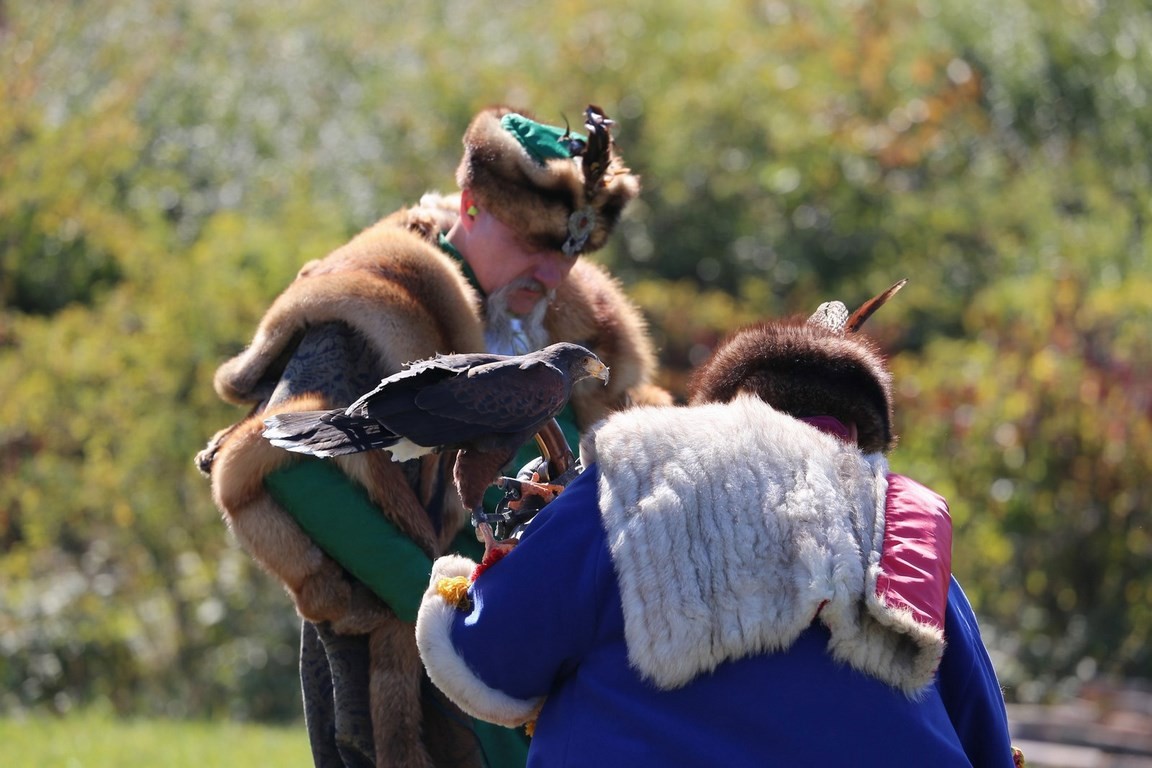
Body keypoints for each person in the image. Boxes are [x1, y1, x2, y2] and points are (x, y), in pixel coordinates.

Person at [196, 104, 670, 768]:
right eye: (532, 245)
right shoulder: (379, 301)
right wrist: (444, 610)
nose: (551, 274)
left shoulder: (583, 325)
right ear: (471, 207)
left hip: (558, 660)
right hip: (417, 678)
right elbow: (280, 461)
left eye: (568, 253)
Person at [415, 283, 1024, 767]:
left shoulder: (641, 475)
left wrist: (459, 585)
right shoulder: (904, 530)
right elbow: (988, 748)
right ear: (863, 439)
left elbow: (486, 661)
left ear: (718, 410)